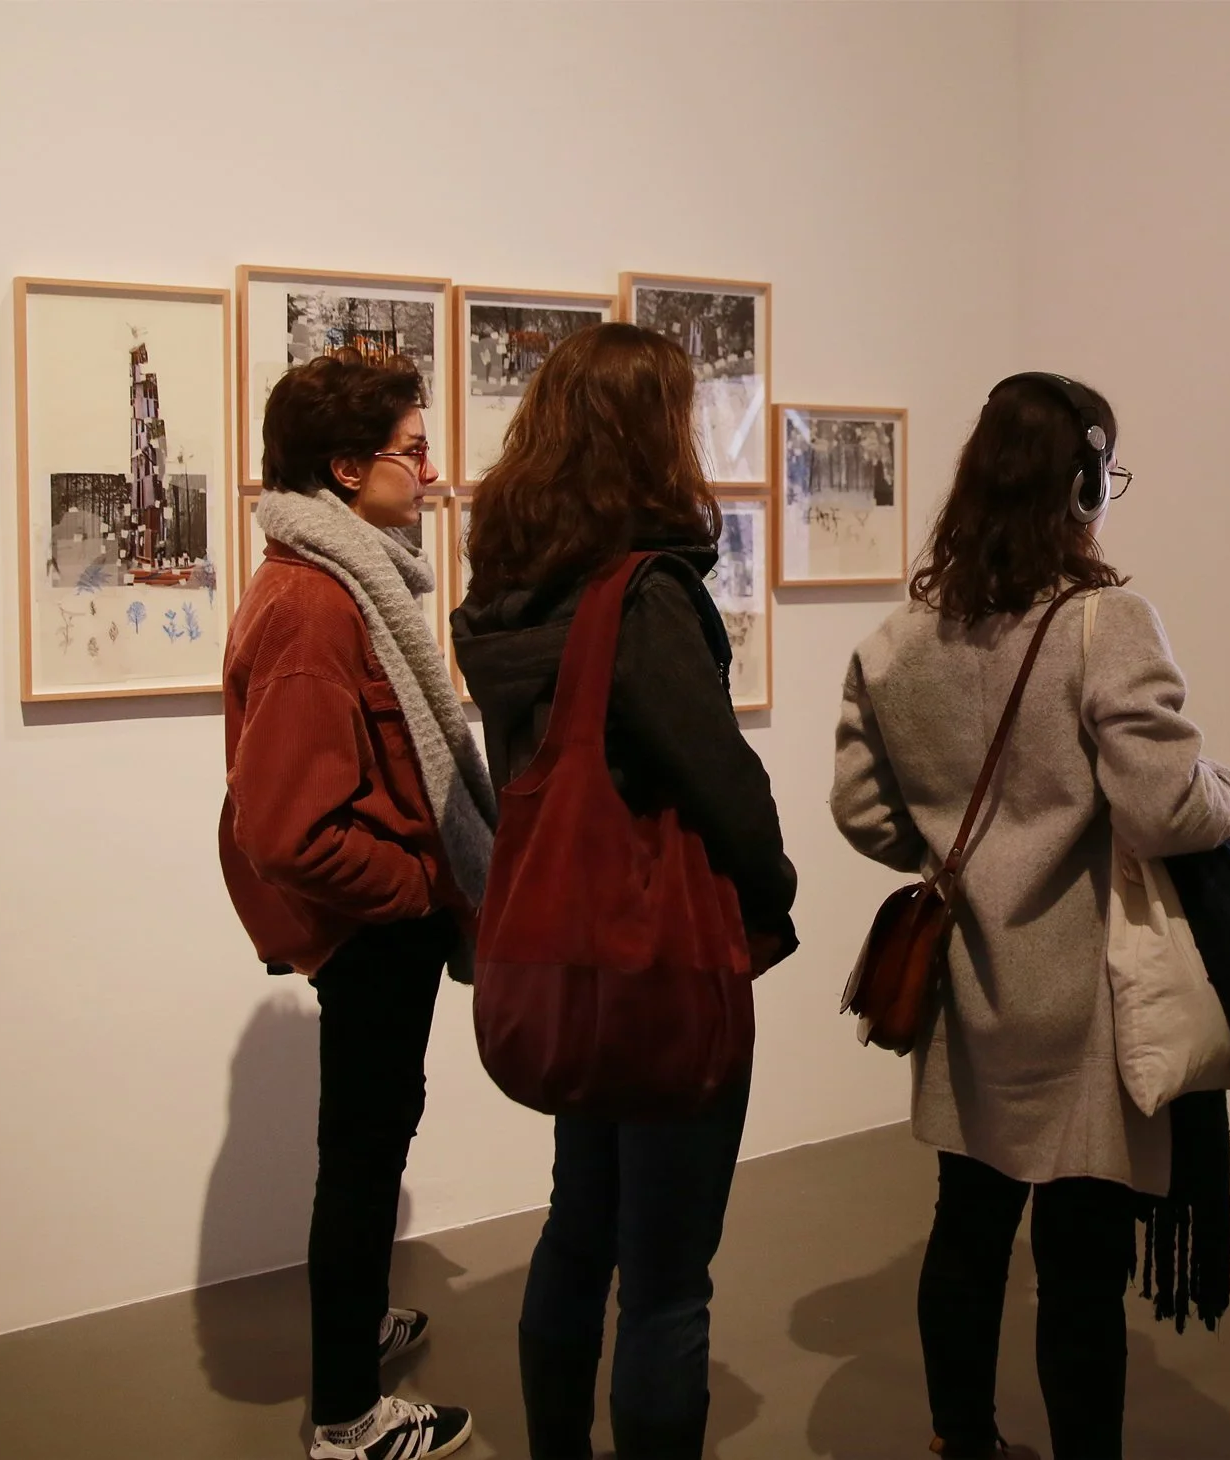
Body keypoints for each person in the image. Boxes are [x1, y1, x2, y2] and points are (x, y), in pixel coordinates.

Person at [832, 374, 1230, 1460]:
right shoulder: (1106, 624)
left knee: (964, 1232)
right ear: (1080, 481)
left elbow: (860, 806)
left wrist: (957, 861)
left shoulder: (898, 640)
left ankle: (961, 1438)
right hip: (1087, 1003)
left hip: (967, 987)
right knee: (1079, 1267)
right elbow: (1164, 806)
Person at [450, 322, 798, 1460]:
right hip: (656, 956)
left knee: (577, 1225)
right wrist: (774, 881)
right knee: (665, 1281)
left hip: (561, 948)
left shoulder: (509, 589)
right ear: (650, 434)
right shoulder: (639, 597)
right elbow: (717, 777)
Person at [221, 349, 497, 1460]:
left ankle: (356, 1323)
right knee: (364, 1151)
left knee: (376, 1135)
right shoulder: (314, 605)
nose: (430, 471)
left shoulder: (341, 577)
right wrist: (423, 884)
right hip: (373, 928)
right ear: (344, 467)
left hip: (383, 926)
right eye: (411, 450)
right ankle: (348, 1416)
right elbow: (290, 828)